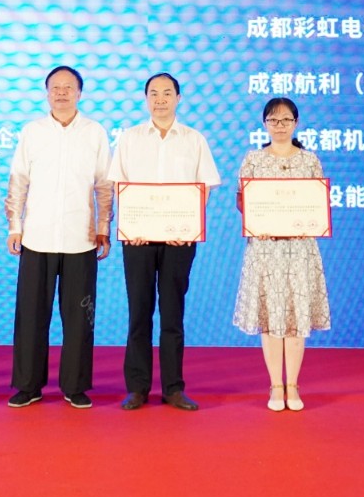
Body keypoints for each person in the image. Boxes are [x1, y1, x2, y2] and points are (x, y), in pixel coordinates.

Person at [110, 72, 221, 411]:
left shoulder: (193, 139)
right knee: (139, 312)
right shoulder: (129, 138)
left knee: (173, 313)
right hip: (138, 239)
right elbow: (118, 185)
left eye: (167, 93)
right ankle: (137, 388)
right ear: (146, 99)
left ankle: (173, 388)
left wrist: (187, 226)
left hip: (179, 241)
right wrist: (131, 224)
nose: (160, 99)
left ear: (178, 98)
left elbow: (205, 187)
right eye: (154, 93)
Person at [4, 65, 113, 409]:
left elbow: (104, 185)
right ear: (47, 92)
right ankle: (28, 385)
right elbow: (18, 180)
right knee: (31, 316)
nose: (62, 93)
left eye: (68, 87)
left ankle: (75, 385)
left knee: (79, 318)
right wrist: (15, 226)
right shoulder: (32, 131)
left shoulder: (95, 132)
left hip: (81, 238)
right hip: (36, 236)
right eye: (55, 87)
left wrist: (104, 227)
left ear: (79, 93)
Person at [234, 97, 331, 412]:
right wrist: (255, 220)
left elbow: (317, 203)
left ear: (296, 123)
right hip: (266, 249)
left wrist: (309, 222)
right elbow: (242, 201)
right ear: (264, 124)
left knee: (295, 317)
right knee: (271, 317)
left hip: (299, 249)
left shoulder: (309, 160)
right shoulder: (253, 159)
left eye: (286, 120)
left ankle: (293, 385)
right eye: (273, 120)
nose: (279, 126)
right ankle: (276, 385)